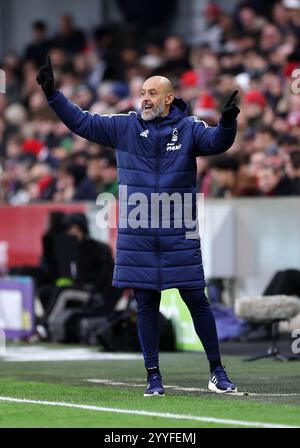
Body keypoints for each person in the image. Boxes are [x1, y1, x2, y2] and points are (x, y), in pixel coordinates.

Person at [37, 56, 240, 395]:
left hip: (178, 230)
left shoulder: (190, 128)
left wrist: (228, 122)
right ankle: (153, 377)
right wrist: (54, 96)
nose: (145, 98)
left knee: (197, 300)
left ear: (169, 98)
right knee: (146, 304)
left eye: (152, 93)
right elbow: (83, 122)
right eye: (142, 92)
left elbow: (218, 143)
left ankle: (217, 371)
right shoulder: (125, 126)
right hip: (138, 232)